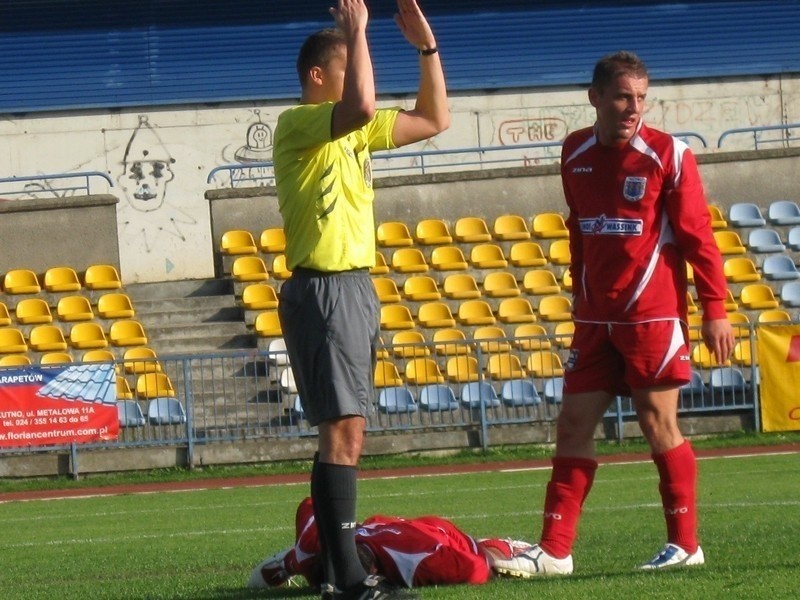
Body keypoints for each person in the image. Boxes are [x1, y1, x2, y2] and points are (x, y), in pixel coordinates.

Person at [493, 51, 735, 578]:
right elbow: (579, 226)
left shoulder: (669, 155)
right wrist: (580, 291)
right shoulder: (574, 151)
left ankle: (685, 544)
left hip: (652, 315)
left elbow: (698, 237)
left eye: (642, 98)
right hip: (595, 320)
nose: (634, 108)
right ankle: (555, 550)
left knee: (657, 423)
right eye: (624, 96)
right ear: (595, 97)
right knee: (572, 425)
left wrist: (715, 309)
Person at [272, 1, 448, 598]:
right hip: (322, 286)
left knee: (347, 431)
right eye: (349, 66)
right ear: (319, 78)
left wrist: (427, 49)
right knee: (341, 431)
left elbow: (433, 118)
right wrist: (358, 29)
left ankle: (337, 569)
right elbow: (364, 106)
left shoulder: (352, 131)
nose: (361, 76)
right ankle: (345, 576)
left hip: (352, 285)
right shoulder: (298, 124)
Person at [248, 497, 533, 591]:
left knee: (481, 552)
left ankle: (500, 544)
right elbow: (310, 503)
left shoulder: (416, 560)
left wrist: (492, 558)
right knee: (300, 558)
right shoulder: (312, 550)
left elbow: (476, 569)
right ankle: (287, 562)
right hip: (380, 527)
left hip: (434, 533)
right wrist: (295, 559)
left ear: (373, 572)